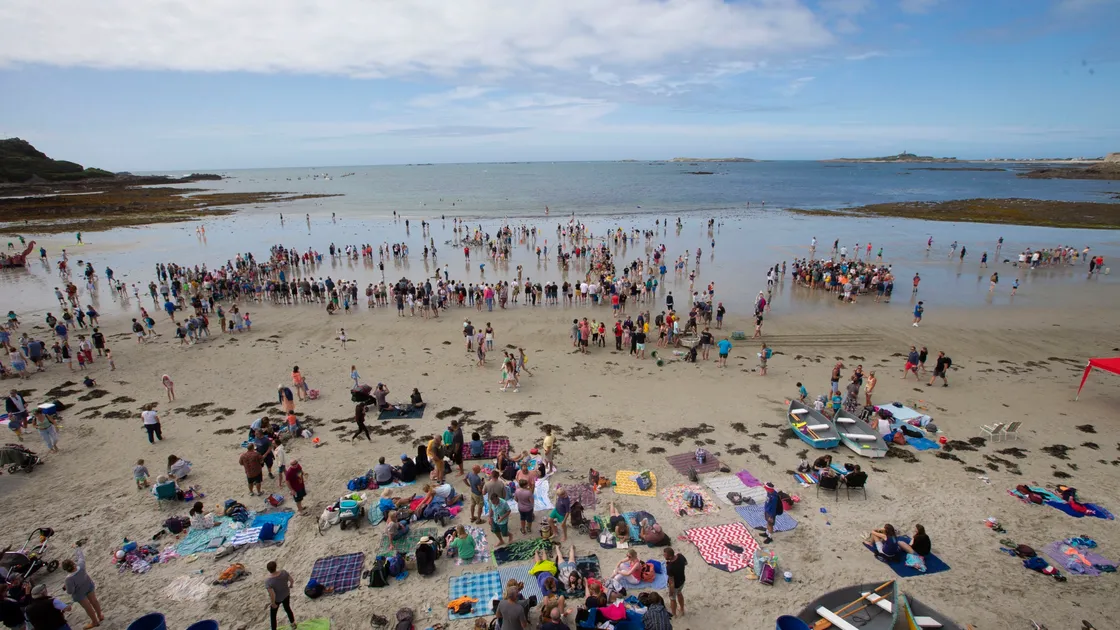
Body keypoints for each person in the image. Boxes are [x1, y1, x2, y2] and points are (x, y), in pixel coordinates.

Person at [61, 542, 102, 629]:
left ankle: (95, 622)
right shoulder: (81, 565)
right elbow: (80, 556)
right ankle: (100, 615)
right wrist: (76, 548)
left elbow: (70, 591)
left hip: (80, 593)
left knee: (88, 607)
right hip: (88, 585)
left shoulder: (68, 579)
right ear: (73, 563)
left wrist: (65, 587)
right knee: (94, 601)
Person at [264, 560, 296, 630]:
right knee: (287, 609)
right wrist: (291, 585)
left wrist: (273, 603)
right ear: (276, 567)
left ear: (268, 570)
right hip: (286, 594)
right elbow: (291, 580)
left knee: (273, 616)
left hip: (277, 599)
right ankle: (293, 624)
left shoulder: (268, 581)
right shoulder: (284, 572)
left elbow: (272, 594)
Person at [663, 547, 686, 617]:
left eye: (665, 555)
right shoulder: (680, 556)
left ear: (670, 556)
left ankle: (674, 614)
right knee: (679, 593)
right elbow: (686, 563)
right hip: (682, 580)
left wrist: (671, 591)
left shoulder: (670, 567)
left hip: (675, 585)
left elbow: (671, 581)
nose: (664, 556)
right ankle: (682, 609)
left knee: (672, 599)